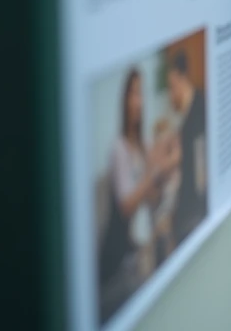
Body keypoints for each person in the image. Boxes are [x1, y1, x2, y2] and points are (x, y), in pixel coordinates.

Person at [98, 70, 157, 301]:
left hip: (140, 254)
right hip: (118, 263)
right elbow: (126, 205)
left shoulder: (143, 146)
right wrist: (152, 175)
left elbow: (150, 198)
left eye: (141, 94)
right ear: (124, 100)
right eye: (133, 93)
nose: (138, 101)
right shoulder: (118, 148)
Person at [165, 51, 207, 246]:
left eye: (172, 86)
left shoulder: (199, 111)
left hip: (194, 211)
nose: (171, 94)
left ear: (182, 78)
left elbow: (199, 173)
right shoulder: (185, 115)